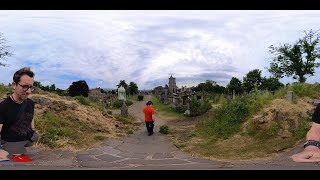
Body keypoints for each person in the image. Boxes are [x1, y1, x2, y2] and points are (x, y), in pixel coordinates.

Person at [0, 67, 39, 162]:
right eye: (25, 87)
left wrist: (33, 130)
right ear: (14, 85)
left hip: (27, 137)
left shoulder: (30, 103)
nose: (29, 91)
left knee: (36, 136)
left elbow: (31, 116)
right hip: (10, 140)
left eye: (31, 87)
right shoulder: (3, 106)